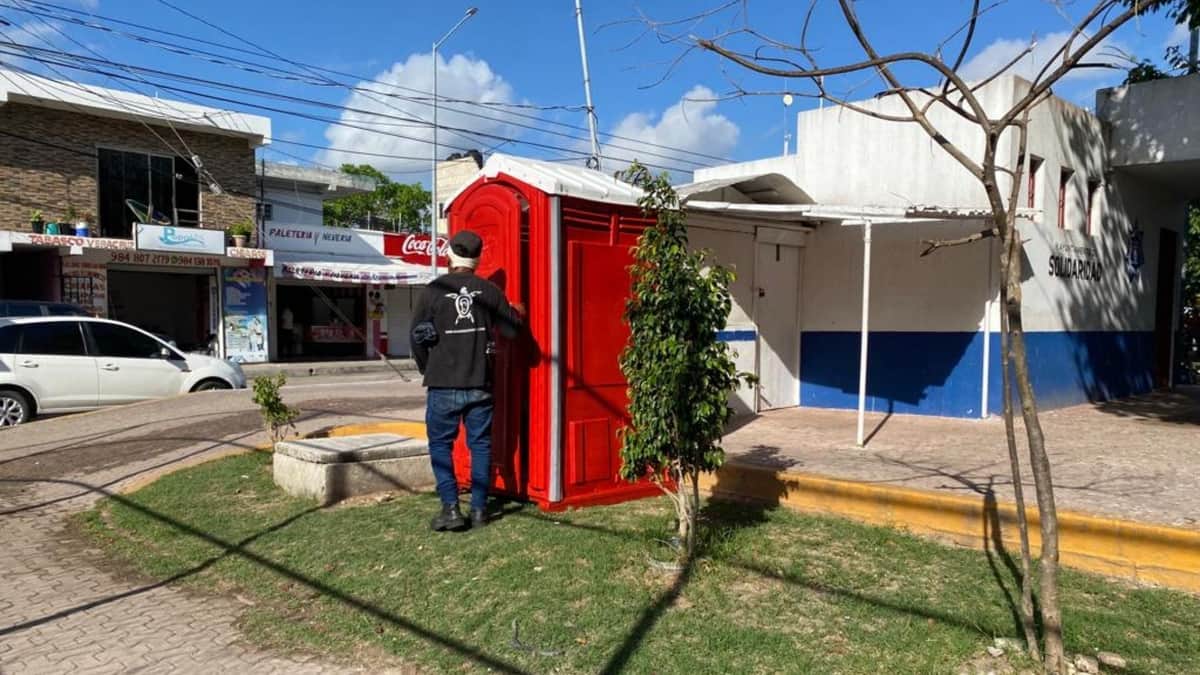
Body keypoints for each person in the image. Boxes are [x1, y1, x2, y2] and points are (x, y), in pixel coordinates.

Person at [410, 230, 524, 531]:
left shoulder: (432, 291)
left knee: (440, 445)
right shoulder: (489, 292)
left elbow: (416, 338)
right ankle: (478, 510)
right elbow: (512, 332)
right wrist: (517, 313)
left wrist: (428, 369)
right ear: (477, 258)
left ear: (450, 256)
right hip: (480, 383)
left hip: (443, 383)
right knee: (481, 446)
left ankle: (450, 509)